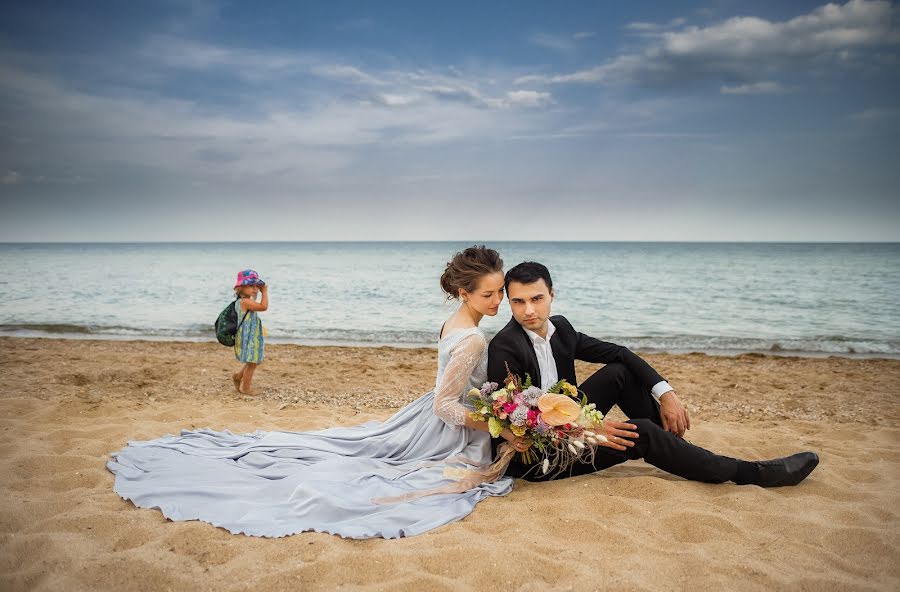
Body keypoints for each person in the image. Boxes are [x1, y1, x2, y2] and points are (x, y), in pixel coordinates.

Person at [108, 246, 519, 539]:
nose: (498, 300)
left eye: (500, 291)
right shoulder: (473, 340)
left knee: (359, 449)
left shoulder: (456, 322)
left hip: (419, 418)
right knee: (385, 475)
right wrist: (496, 422)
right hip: (441, 429)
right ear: (464, 292)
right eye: (489, 293)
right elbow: (445, 405)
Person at [487, 261, 819, 487]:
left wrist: (666, 393)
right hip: (538, 455)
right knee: (643, 433)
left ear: (552, 296)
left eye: (536, 299)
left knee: (620, 372)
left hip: (571, 422)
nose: (528, 310)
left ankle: (682, 452)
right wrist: (587, 425)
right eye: (518, 302)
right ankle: (753, 474)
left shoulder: (562, 328)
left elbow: (620, 353)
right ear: (510, 304)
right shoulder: (505, 346)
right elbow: (517, 419)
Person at [231, 269, 268, 395]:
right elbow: (263, 307)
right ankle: (246, 388)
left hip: (250, 334)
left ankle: (238, 376)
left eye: (256, 286)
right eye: (251, 286)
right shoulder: (245, 302)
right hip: (248, 336)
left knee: (252, 360)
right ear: (241, 288)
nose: (255, 289)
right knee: (252, 362)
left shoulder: (243, 300)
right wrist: (265, 292)